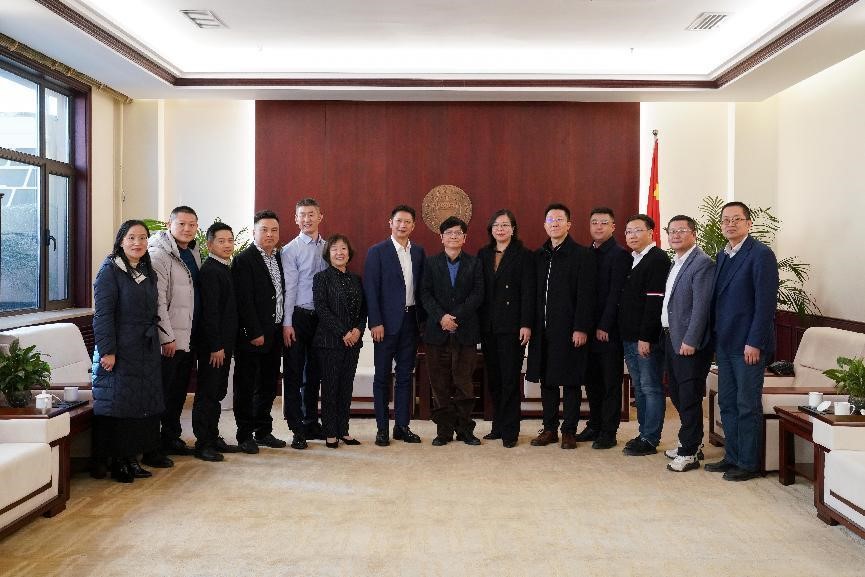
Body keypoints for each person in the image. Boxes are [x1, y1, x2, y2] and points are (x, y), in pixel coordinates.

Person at [705, 201, 778, 481]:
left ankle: (748, 464)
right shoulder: (723, 254)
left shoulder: (760, 254)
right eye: (726, 220)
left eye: (736, 219)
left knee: (747, 405)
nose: (730, 224)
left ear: (749, 223)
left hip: (748, 345)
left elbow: (765, 304)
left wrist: (755, 342)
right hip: (725, 343)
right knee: (727, 402)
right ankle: (732, 457)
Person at [91, 220, 165, 483]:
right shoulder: (110, 271)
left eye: (143, 238)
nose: (138, 243)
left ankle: (132, 457)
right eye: (132, 237)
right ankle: (118, 461)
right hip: (120, 349)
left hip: (144, 347)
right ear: (121, 241)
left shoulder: (146, 269)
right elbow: (102, 316)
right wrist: (107, 351)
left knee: (140, 404)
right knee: (120, 404)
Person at [527, 204, 595, 450]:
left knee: (571, 382)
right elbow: (531, 295)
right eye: (550, 220)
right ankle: (549, 429)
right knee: (547, 381)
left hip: (569, 331)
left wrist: (581, 327)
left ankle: (569, 431)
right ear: (545, 225)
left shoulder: (582, 255)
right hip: (543, 331)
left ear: (569, 224)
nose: (554, 223)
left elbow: (586, 295)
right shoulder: (539, 255)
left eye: (559, 219)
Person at [363, 205, 425, 447]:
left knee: (405, 377)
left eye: (407, 222)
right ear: (390, 223)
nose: (402, 225)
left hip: (411, 322)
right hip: (385, 325)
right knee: (382, 377)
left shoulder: (418, 252)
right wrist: (375, 322)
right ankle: (382, 428)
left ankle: (402, 426)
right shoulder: (377, 252)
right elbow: (371, 289)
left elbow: (421, 289)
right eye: (398, 221)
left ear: (413, 226)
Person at [421, 216, 484, 446]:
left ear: (464, 238)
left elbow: (478, 294)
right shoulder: (430, 263)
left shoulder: (475, 263)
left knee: (464, 383)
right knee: (439, 384)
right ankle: (444, 431)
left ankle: (465, 430)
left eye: (458, 233)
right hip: (436, 333)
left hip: (465, 332)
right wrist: (442, 317)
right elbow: (425, 293)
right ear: (442, 237)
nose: (453, 236)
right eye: (449, 233)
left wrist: (455, 317)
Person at [660, 215, 714, 472]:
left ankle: (689, 452)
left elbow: (702, 307)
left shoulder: (702, 263)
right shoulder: (677, 261)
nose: (676, 235)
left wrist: (691, 339)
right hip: (671, 338)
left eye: (682, 230)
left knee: (689, 396)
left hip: (688, 342)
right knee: (677, 393)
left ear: (694, 233)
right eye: (672, 231)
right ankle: (691, 442)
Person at [478, 209, 535, 448]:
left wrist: (526, 324)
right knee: (495, 379)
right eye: (496, 225)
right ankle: (498, 426)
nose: (500, 229)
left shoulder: (524, 255)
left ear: (513, 229)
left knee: (510, 379)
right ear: (491, 229)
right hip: (488, 326)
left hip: (512, 326)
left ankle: (511, 431)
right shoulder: (483, 254)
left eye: (505, 225)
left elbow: (528, 292)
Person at [232, 210, 288, 453]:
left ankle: (263, 431)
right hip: (252, 335)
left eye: (274, 230)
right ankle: (245, 434)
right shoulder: (244, 260)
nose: (269, 234)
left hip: (274, 332)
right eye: (264, 230)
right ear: (254, 232)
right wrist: (254, 331)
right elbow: (243, 300)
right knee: (246, 386)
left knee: (267, 385)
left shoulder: (279, 257)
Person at [148, 205, 201, 458]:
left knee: (179, 391)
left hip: (188, 334)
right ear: (169, 225)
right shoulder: (158, 254)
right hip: (170, 338)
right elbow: (157, 300)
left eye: (192, 225)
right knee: (163, 392)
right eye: (181, 224)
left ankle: (171, 437)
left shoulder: (192, 251)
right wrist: (166, 336)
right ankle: (154, 444)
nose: (187, 229)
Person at [576, 207, 631, 450]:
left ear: (613, 227)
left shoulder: (620, 255)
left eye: (604, 223)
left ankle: (609, 431)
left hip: (608, 332)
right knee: (592, 382)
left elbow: (616, 295)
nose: (598, 227)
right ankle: (595, 424)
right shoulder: (586, 253)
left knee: (610, 383)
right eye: (594, 222)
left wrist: (604, 325)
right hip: (587, 331)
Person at [618, 214, 670, 457]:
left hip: (645, 338)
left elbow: (654, 303)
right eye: (628, 231)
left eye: (638, 230)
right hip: (630, 336)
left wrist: (646, 337)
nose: (632, 235)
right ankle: (643, 433)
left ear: (651, 232)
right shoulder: (633, 259)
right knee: (639, 388)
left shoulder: (657, 259)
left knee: (650, 387)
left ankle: (650, 438)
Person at [192, 222, 241, 462]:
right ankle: (203, 443)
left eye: (230, 240)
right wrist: (215, 346)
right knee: (208, 393)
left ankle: (213, 436)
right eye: (221, 241)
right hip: (214, 346)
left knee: (217, 391)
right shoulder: (210, 271)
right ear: (209, 244)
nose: (227, 245)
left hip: (224, 344)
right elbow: (209, 313)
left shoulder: (224, 267)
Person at [313, 235, 368, 448]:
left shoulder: (356, 279)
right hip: (329, 342)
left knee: (346, 387)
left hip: (353, 342)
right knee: (330, 388)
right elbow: (322, 309)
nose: (339, 252)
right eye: (335, 248)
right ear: (328, 253)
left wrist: (357, 330)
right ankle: (330, 432)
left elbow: (363, 309)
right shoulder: (321, 278)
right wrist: (343, 332)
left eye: (343, 248)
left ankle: (343, 430)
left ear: (349, 252)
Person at [281, 198, 328, 449]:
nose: (307, 219)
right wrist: (287, 323)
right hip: (298, 317)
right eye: (303, 215)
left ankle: (311, 422)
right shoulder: (290, 250)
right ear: (296, 219)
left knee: (315, 374)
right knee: (294, 374)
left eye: (312, 214)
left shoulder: (330, 247)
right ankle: (296, 428)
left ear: (321, 217)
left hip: (321, 319)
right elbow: (289, 289)